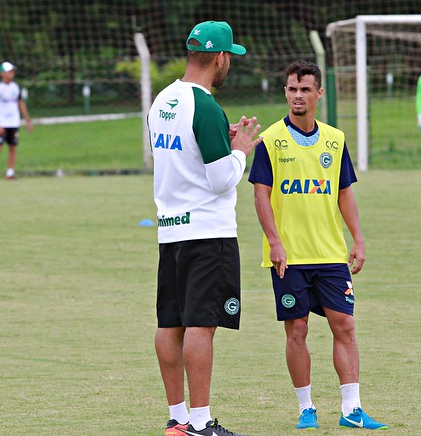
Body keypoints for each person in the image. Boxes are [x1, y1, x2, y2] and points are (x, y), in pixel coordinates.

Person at [248, 60, 388, 431]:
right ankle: (305, 407)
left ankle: (352, 409)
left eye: (305, 89)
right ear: (285, 92)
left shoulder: (335, 139)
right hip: (288, 257)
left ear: (319, 94)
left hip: (330, 254)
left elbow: (344, 193)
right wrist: (274, 242)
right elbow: (261, 195)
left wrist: (357, 239)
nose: (298, 96)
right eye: (292, 89)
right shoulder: (271, 141)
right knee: (297, 330)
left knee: (345, 326)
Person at [147, 21, 262, 436]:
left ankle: (176, 417)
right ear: (221, 58)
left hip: (170, 231)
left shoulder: (162, 101)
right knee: (200, 325)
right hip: (207, 233)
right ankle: (199, 422)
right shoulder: (207, 106)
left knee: (169, 323)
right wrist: (240, 151)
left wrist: (219, 142)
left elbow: (181, 155)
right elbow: (219, 180)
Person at [0, 61, 33, 180]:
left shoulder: (15, 87)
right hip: (2, 122)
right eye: (8, 71)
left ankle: (10, 172)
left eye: (12, 71)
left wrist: (27, 120)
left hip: (14, 122)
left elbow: (20, 104)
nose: (11, 74)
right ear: (2, 73)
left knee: (12, 146)